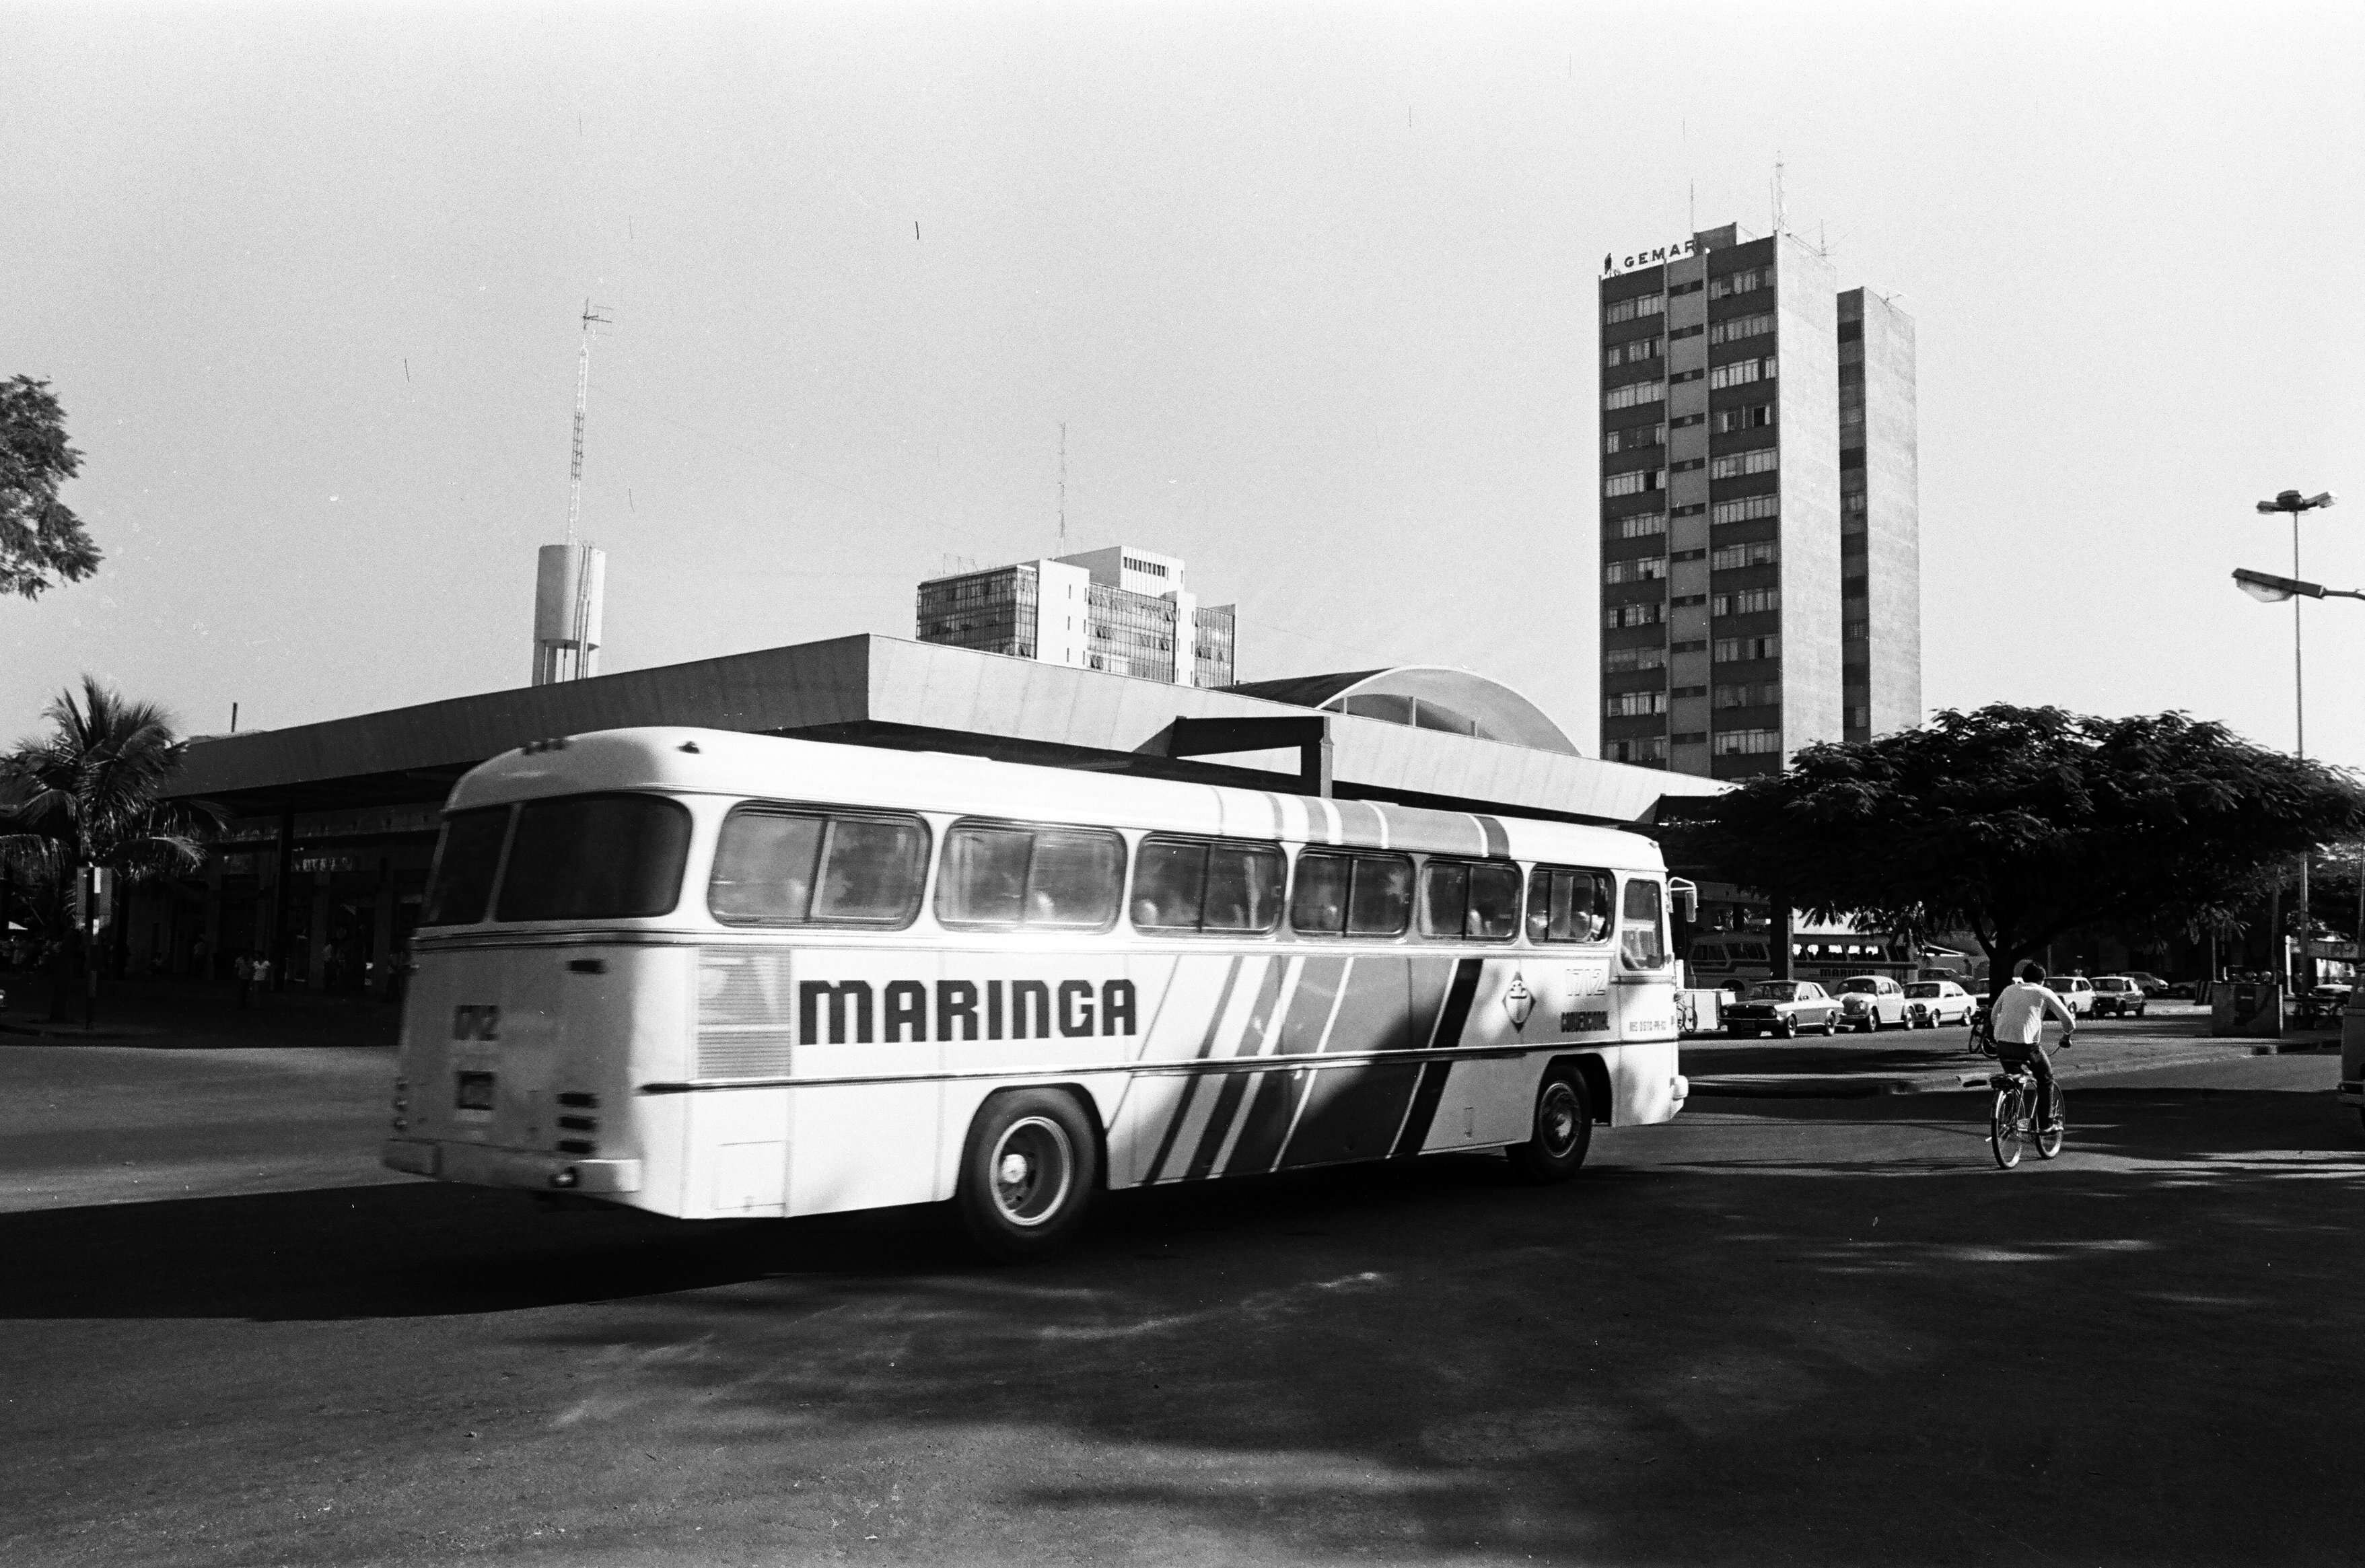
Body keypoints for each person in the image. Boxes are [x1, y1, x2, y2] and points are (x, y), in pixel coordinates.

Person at [1989, 962, 2077, 1131]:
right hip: (2028, 1047)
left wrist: (2001, 1034)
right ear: (2042, 980)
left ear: (2023, 978)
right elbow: (2069, 1021)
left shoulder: (2009, 990)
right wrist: (2066, 1037)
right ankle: (2045, 1124)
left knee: (2013, 1079)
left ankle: (2011, 1116)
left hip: (2003, 1046)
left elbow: (1994, 1015)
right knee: (2046, 1079)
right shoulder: (2044, 992)